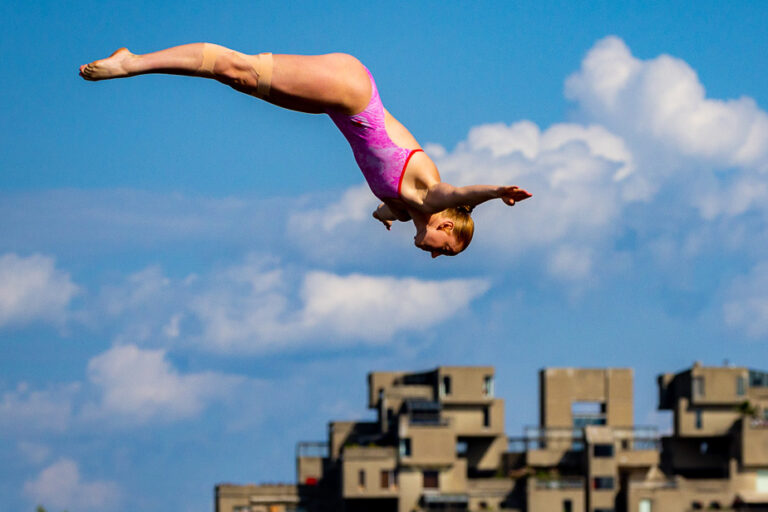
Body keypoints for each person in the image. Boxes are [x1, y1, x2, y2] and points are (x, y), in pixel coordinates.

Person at [80, 44, 531, 258]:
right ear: (446, 223)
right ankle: (131, 63)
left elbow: (386, 212)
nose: (433, 254)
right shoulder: (429, 197)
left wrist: (384, 217)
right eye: (443, 247)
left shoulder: (401, 207)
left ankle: (135, 63)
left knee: (238, 80)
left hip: (338, 107)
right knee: (240, 71)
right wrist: (497, 192)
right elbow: (458, 193)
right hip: (352, 92)